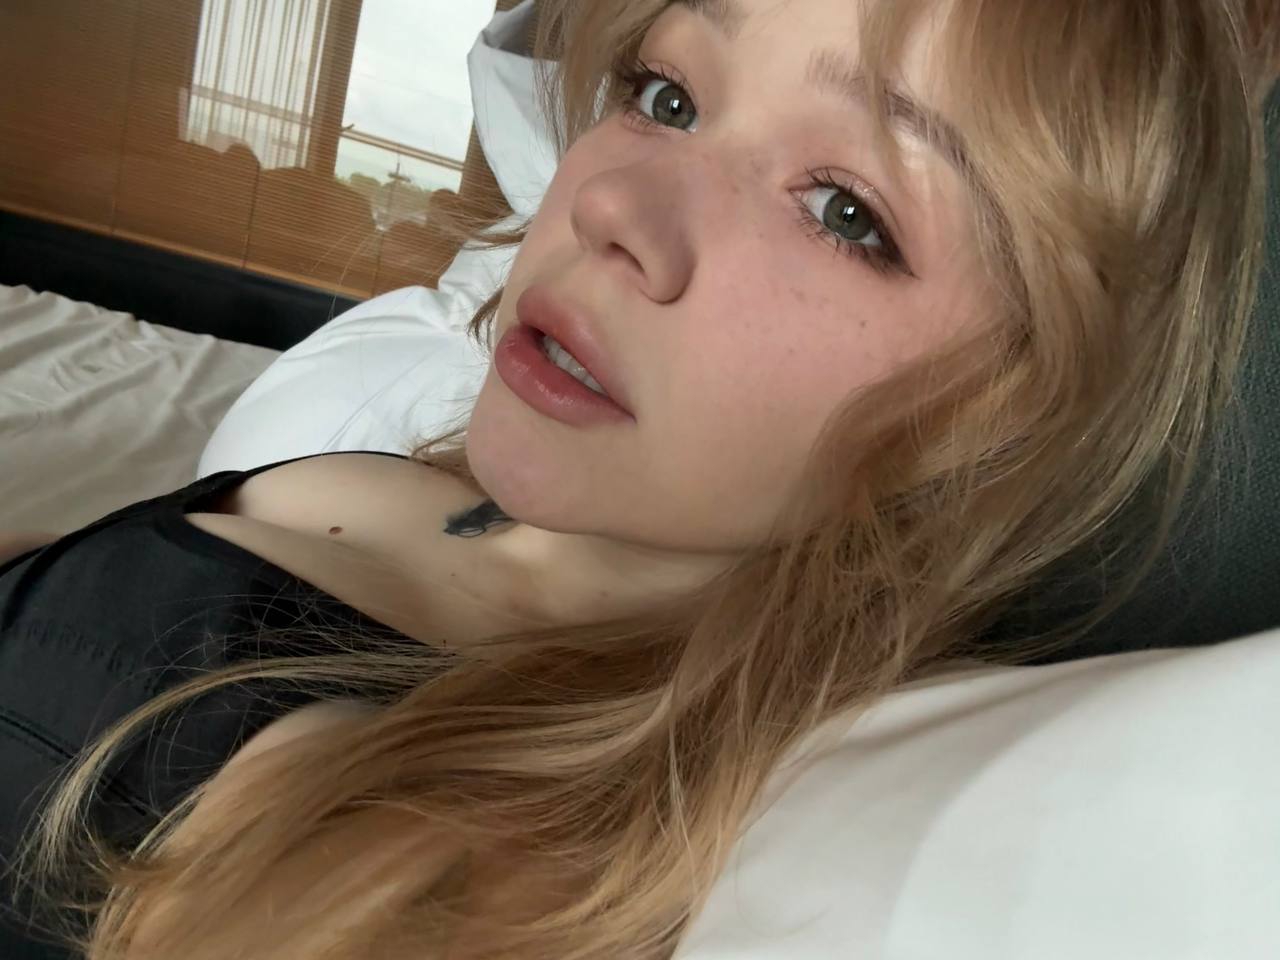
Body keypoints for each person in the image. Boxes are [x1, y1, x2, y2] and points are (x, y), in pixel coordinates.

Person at [1, 0, 1277, 958]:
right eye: (666, 94)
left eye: (845, 212)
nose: (612, 204)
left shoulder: (486, 849)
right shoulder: (417, 483)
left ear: (1000, 415)